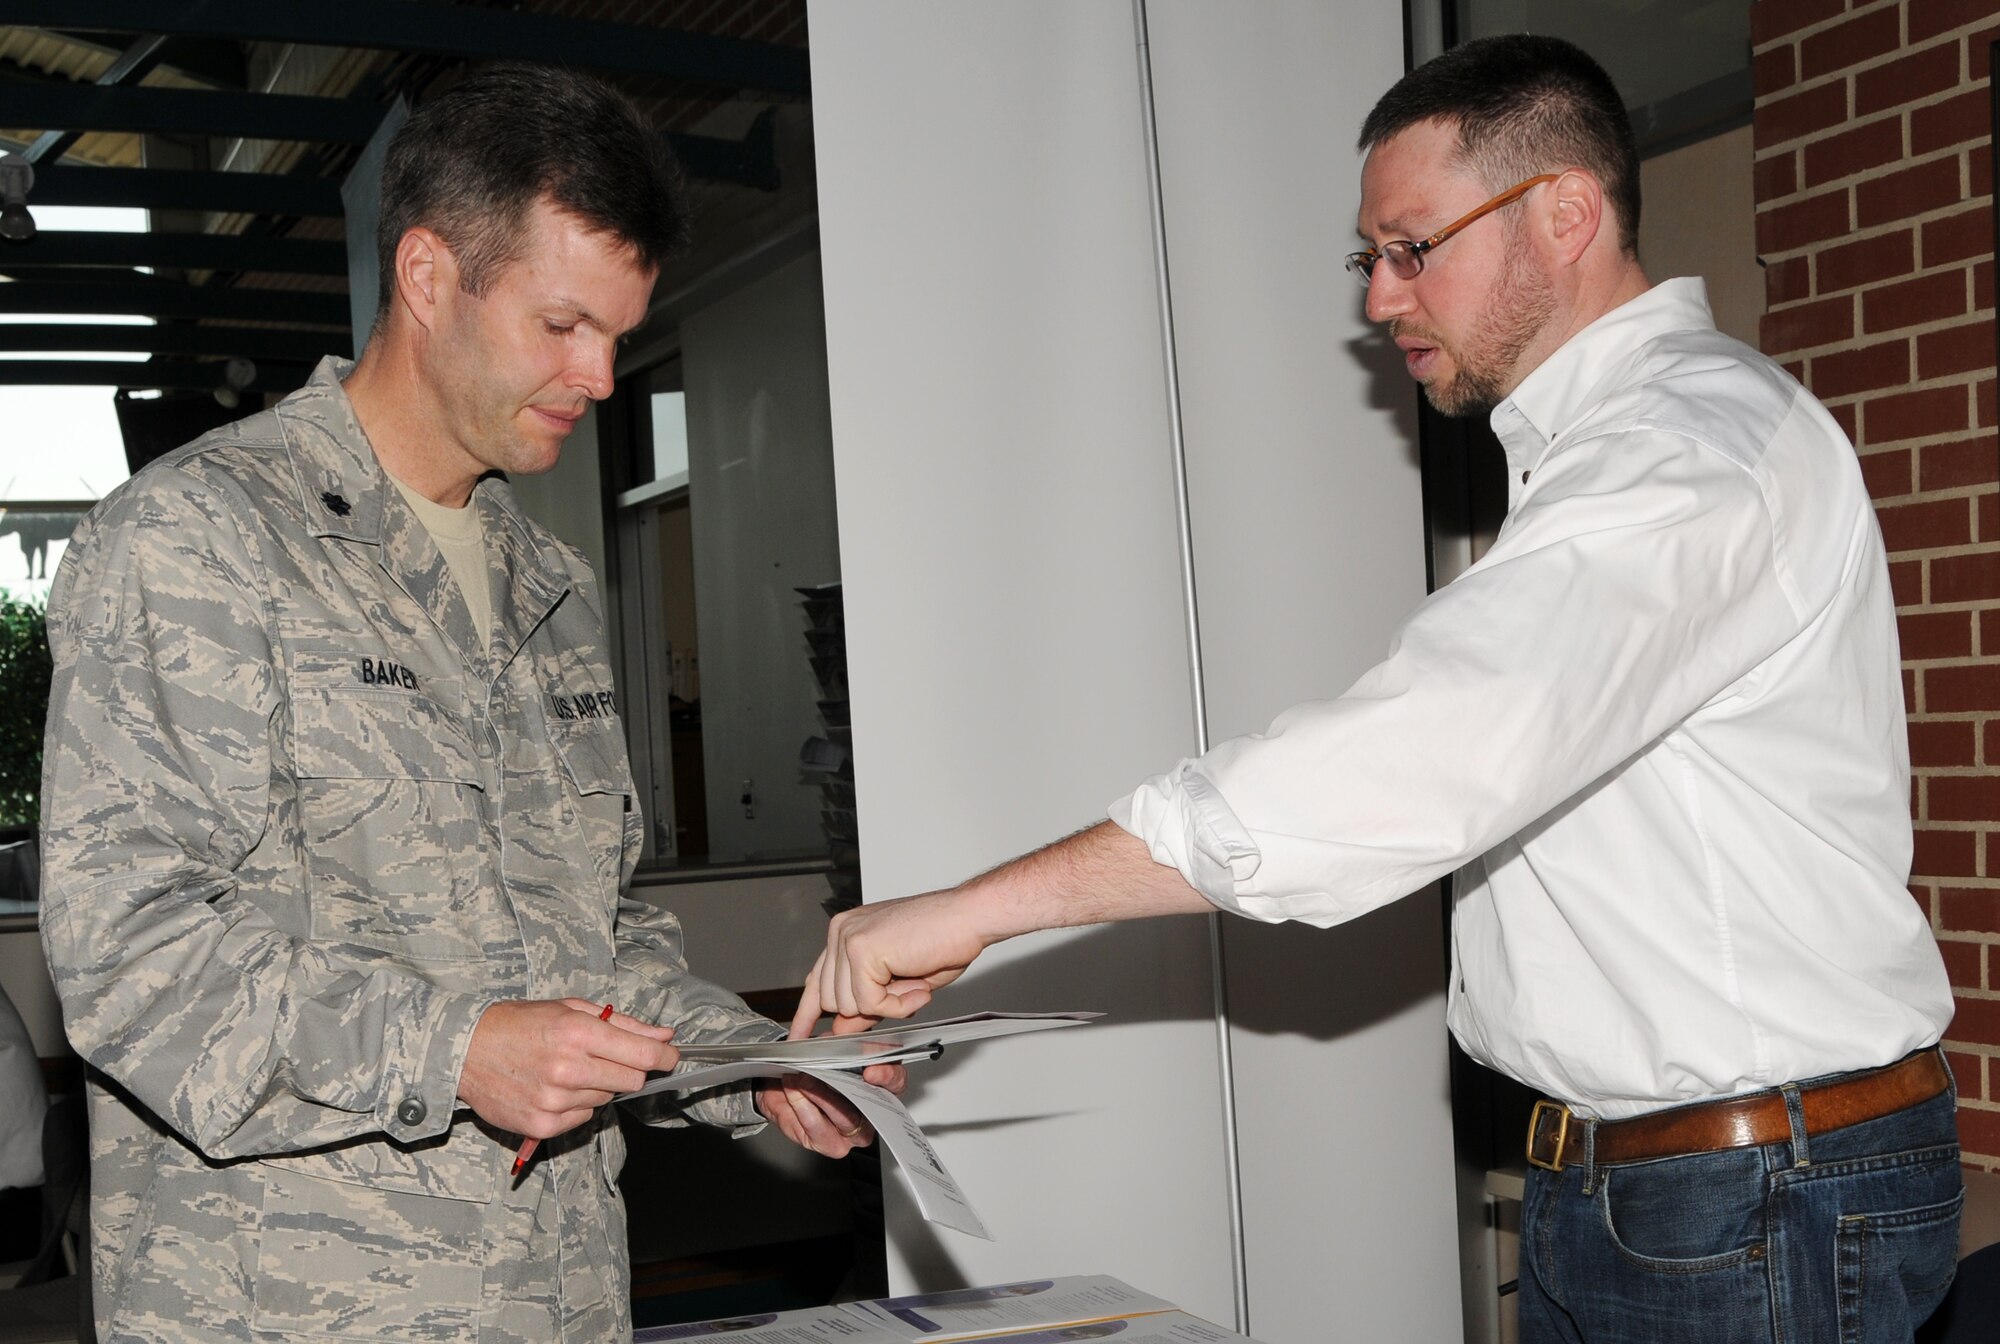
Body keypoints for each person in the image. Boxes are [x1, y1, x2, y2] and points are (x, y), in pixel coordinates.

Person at [792, 35, 1960, 1344]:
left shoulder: (1688, 448)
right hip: (1659, 1182)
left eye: (1413, 248)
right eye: (1370, 258)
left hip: (1746, 1198)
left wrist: (973, 911)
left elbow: (1418, 757)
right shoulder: (1614, 457)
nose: (1380, 298)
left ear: (1565, 214)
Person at [40, 64, 896, 1344]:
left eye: (617, 331)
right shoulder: (197, 541)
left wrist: (749, 1066)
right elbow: (131, 961)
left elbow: (597, 943)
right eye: (563, 326)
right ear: (430, 276)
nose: (602, 375)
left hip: (555, 1296)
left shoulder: (546, 585)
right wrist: (453, 1050)